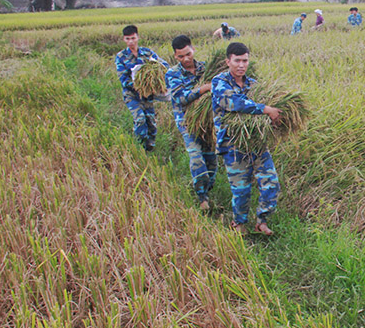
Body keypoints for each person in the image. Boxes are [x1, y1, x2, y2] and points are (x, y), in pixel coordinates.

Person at [211, 42, 282, 235]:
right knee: (241, 190)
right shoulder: (219, 82)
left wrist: (274, 116)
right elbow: (234, 103)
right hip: (232, 144)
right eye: (237, 61)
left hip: (257, 143)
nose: (241, 65)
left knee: (271, 184)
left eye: (245, 61)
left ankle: (262, 221)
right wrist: (265, 109)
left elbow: (267, 107)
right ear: (228, 61)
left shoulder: (254, 85)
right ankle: (239, 224)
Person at [165, 34, 217, 211]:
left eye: (188, 54)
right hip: (186, 122)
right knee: (196, 158)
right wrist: (204, 88)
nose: (186, 59)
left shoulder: (206, 68)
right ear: (175, 56)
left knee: (211, 160)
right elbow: (180, 98)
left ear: (193, 49)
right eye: (181, 56)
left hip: (207, 120)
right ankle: (202, 198)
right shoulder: (172, 74)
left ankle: (207, 189)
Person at [115, 24, 167, 152]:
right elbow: (123, 79)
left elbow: (163, 65)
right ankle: (139, 147)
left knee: (151, 123)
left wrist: (158, 81)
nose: (130, 42)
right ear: (124, 39)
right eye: (127, 39)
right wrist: (139, 85)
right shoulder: (121, 57)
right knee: (140, 119)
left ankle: (150, 149)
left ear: (138, 37)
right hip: (132, 95)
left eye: (133, 38)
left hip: (147, 95)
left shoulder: (147, 53)